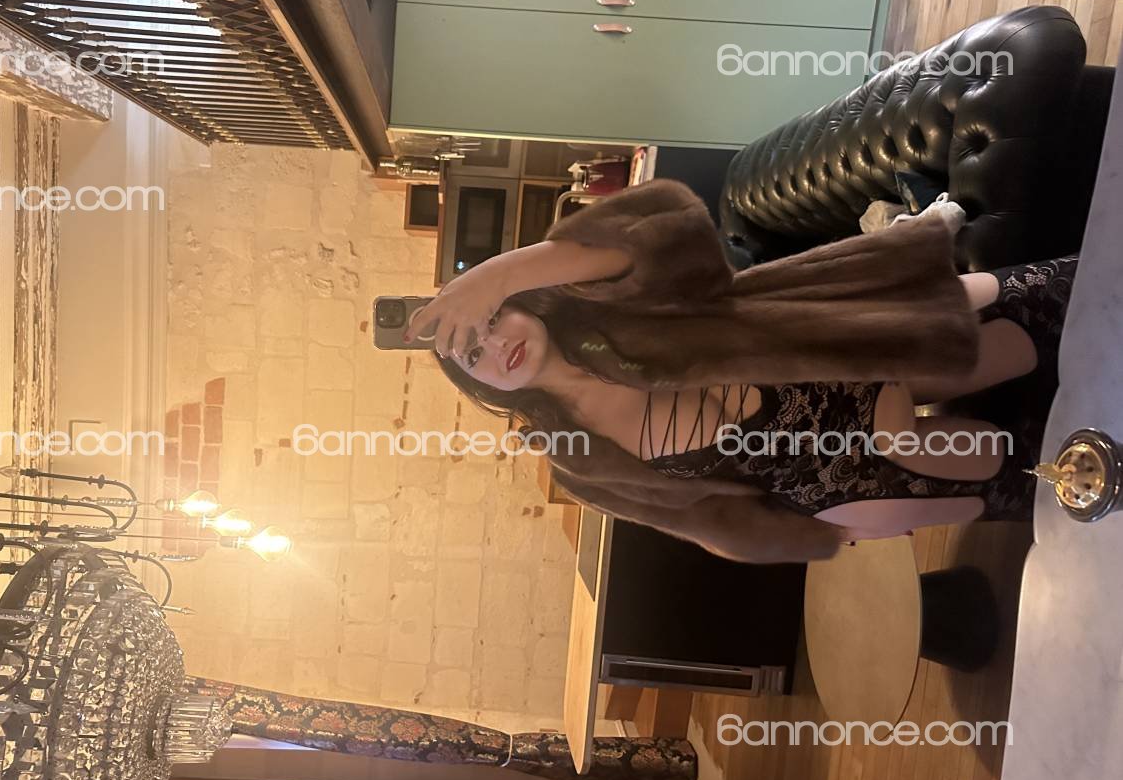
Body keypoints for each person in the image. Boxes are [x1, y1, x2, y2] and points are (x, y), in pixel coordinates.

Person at [409, 179, 1074, 564]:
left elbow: (667, 226)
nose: (496, 345)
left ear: (516, 301)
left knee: (1074, 309)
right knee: (1066, 475)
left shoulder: (602, 302)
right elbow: (705, 518)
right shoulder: (575, 460)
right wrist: (831, 530)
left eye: (492, 318)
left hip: (856, 335)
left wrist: (499, 271)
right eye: (474, 354)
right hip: (846, 478)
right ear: (482, 386)